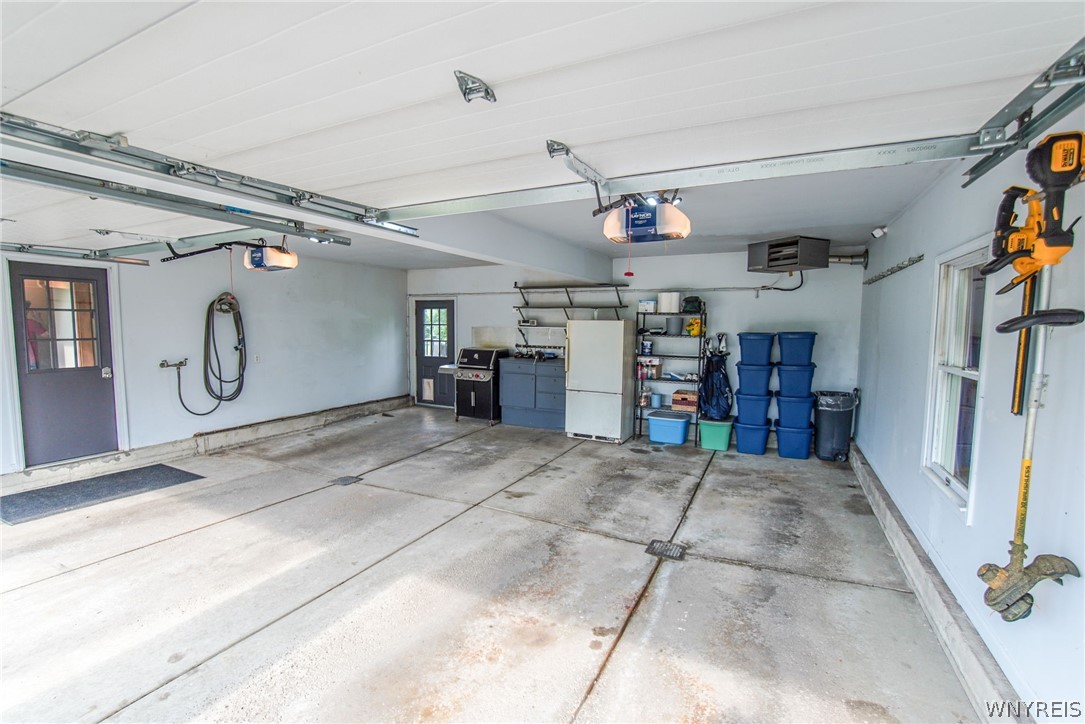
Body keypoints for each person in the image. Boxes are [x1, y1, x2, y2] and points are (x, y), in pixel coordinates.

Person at [25, 300, 46, 370]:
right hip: (31, 360)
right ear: (27, 311)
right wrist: (38, 318)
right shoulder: (31, 323)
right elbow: (49, 335)